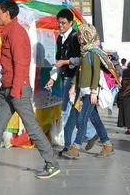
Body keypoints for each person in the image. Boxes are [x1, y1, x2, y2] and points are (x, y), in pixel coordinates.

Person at [0, 0, 60, 180]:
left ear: (7, 14)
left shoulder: (16, 33)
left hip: (18, 90)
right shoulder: (7, 32)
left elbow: (21, 64)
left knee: (31, 128)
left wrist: (16, 90)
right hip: (7, 90)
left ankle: (52, 164)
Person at [45, 9, 98, 155]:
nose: (60, 25)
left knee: (65, 112)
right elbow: (58, 61)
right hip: (65, 77)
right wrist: (52, 77)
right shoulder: (60, 38)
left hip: (74, 79)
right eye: (59, 22)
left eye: (63, 23)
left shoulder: (75, 37)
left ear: (70, 23)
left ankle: (70, 145)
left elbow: (81, 60)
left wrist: (66, 62)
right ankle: (89, 133)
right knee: (70, 111)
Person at [63, 23, 115, 159]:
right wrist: (74, 86)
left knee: (82, 119)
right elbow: (78, 72)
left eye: (81, 34)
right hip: (83, 91)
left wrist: (93, 92)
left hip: (91, 93)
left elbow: (96, 74)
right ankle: (107, 144)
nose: (79, 37)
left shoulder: (93, 53)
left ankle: (75, 147)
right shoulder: (84, 52)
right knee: (95, 120)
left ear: (88, 35)